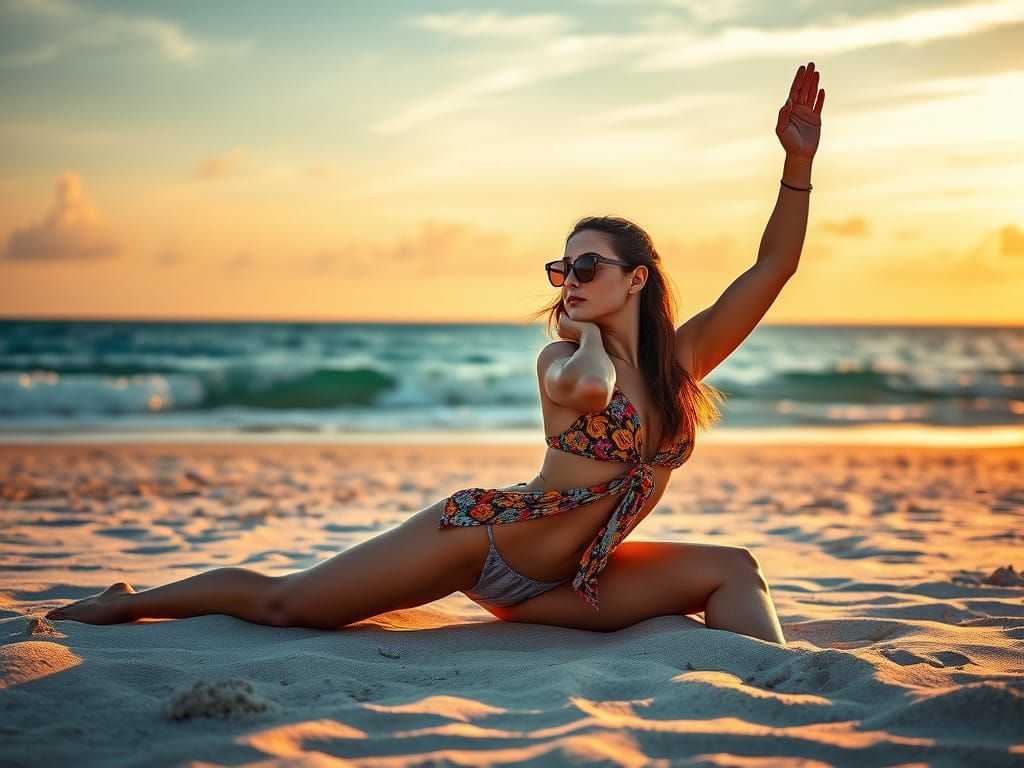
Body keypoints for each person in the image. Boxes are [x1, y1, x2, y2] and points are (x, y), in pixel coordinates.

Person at [45, 61, 824, 646]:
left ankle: (771, 682)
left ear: (637, 279)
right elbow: (593, 389)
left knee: (735, 567)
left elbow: (773, 269)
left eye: (588, 267)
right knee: (290, 604)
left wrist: (797, 164)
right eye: (563, 269)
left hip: (572, 587)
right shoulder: (560, 363)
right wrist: (586, 330)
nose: (571, 280)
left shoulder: (678, 364)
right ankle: (129, 602)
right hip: (479, 545)